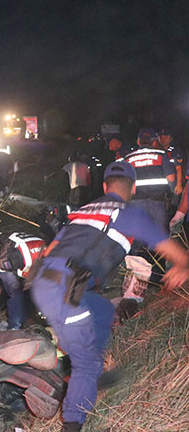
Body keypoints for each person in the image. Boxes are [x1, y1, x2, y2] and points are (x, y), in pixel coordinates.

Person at [30, 161, 189, 431]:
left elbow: (51, 248)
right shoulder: (128, 213)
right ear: (134, 187)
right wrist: (183, 265)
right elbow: (172, 251)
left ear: (104, 187)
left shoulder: (85, 211)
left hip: (46, 281)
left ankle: (86, 378)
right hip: (66, 291)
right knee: (87, 363)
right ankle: (73, 421)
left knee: (102, 310)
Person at [0, 231, 46, 331]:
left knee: (28, 293)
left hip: (29, 246)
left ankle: (25, 319)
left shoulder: (52, 263)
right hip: (6, 247)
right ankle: (14, 327)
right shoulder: (13, 259)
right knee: (16, 293)